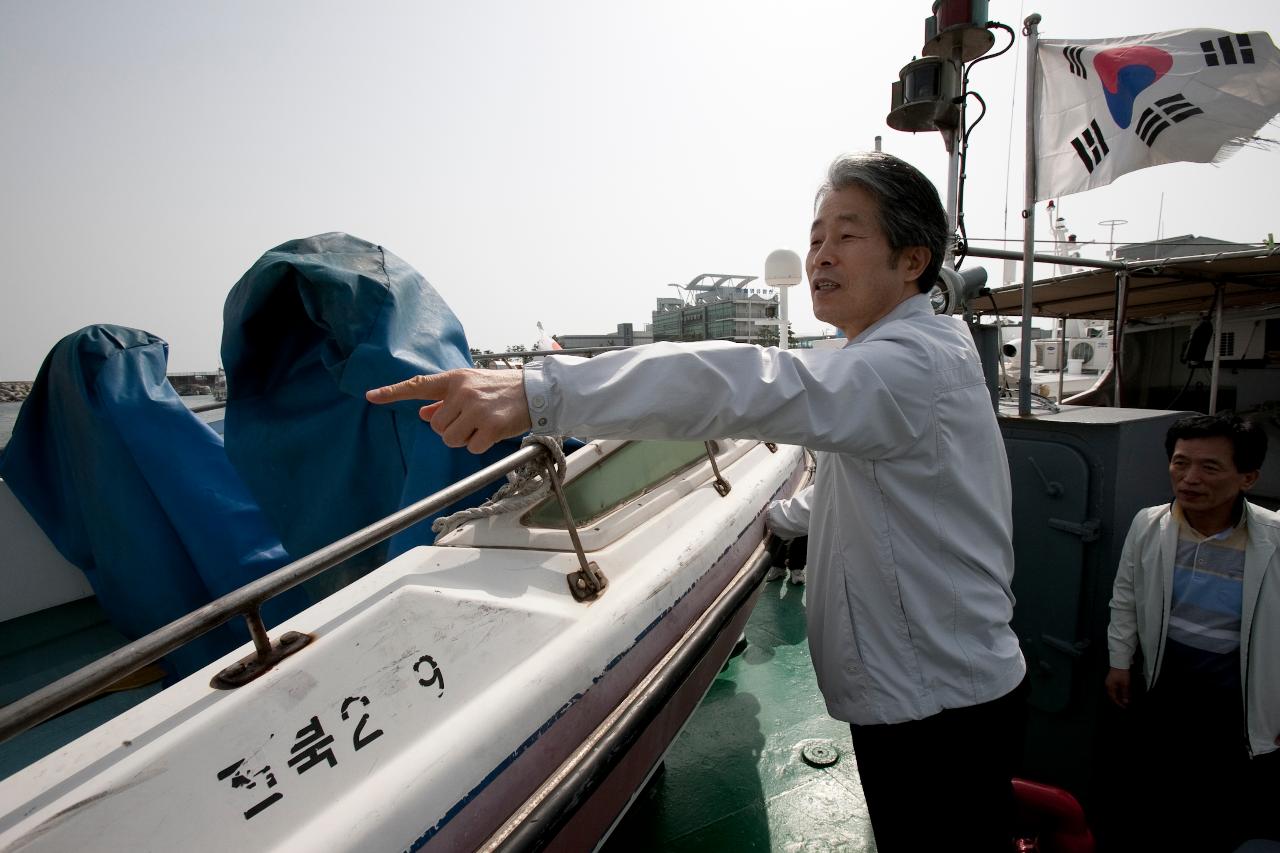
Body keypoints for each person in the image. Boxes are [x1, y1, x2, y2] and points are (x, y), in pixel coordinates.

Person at [367, 152, 1027, 852]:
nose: (821, 256)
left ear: (912, 259)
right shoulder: (896, 357)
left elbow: (745, 383)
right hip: (935, 698)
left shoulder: (904, 365)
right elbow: (863, 476)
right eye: (814, 237)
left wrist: (538, 392)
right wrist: (786, 518)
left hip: (937, 717)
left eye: (847, 235)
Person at [1106, 414, 1280, 850]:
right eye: (1180, 463)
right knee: (1162, 790)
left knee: (1228, 799)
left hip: (1237, 691)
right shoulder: (1150, 524)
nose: (1189, 479)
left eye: (1210, 467)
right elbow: (1125, 594)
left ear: (1248, 477)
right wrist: (1119, 660)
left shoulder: (1274, 539)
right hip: (1168, 679)